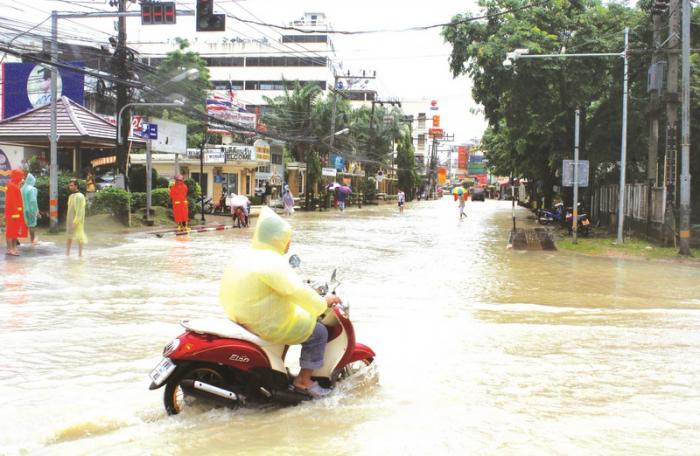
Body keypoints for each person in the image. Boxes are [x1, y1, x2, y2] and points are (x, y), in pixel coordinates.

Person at [219, 207, 341, 397]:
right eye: (286, 239)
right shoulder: (272, 262)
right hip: (263, 321)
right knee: (318, 332)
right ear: (277, 239)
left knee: (297, 320)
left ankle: (278, 372)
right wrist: (323, 303)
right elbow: (296, 291)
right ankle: (303, 381)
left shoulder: (249, 256)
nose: (289, 244)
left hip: (242, 317)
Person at [5, 169, 27, 256]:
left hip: (16, 213)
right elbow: (12, 201)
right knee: (11, 231)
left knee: (14, 231)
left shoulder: (14, 185)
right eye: (21, 177)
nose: (22, 179)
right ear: (17, 176)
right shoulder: (11, 186)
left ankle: (13, 248)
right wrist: (15, 213)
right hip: (13, 214)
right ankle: (10, 249)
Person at [66, 179, 87, 257]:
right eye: (69, 185)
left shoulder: (80, 196)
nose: (70, 187)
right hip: (70, 220)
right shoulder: (71, 196)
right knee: (69, 236)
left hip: (77, 220)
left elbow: (80, 211)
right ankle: (67, 254)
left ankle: (80, 254)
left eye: (71, 185)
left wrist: (75, 222)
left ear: (76, 186)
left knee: (79, 236)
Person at [21, 172, 39, 245]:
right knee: (32, 225)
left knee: (23, 224)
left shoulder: (22, 188)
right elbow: (33, 201)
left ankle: (15, 241)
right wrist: (36, 211)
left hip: (23, 209)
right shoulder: (32, 189)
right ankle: (32, 240)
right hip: (31, 209)